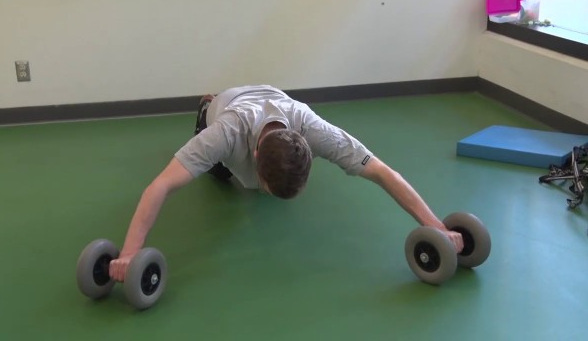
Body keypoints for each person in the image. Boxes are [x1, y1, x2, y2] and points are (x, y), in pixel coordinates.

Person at [109, 85, 463, 281]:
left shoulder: (314, 130)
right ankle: (206, 100)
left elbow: (383, 172)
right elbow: (160, 186)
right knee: (218, 177)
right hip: (228, 106)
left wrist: (436, 227)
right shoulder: (224, 136)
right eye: (267, 188)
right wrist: (128, 254)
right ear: (256, 164)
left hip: (275, 98)